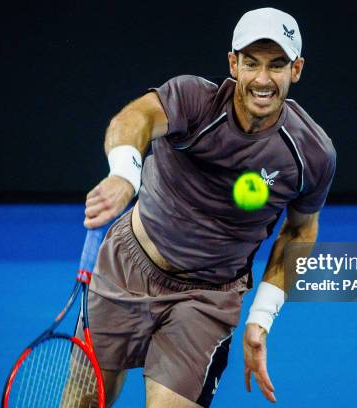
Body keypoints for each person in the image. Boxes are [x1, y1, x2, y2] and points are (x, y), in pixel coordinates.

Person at [81, 7, 336, 407]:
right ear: (233, 63)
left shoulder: (310, 153)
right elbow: (137, 118)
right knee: (82, 399)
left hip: (207, 299)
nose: (263, 79)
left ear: (297, 69)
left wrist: (262, 317)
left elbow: (300, 231)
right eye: (251, 63)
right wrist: (124, 175)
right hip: (127, 267)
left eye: (277, 65)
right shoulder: (193, 100)